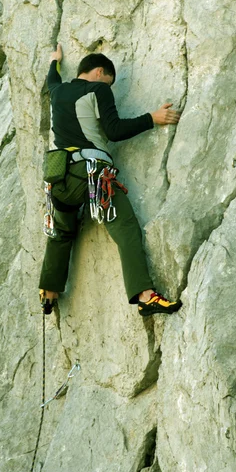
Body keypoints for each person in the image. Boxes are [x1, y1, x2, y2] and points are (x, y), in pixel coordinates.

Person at [39, 43, 182, 317]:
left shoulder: (57, 92)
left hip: (59, 179)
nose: (110, 88)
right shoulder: (98, 89)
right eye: (109, 81)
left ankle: (48, 291)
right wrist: (152, 118)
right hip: (91, 173)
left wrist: (54, 60)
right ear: (99, 71)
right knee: (125, 226)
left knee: (61, 231)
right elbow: (114, 131)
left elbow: (52, 78)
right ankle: (146, 295)